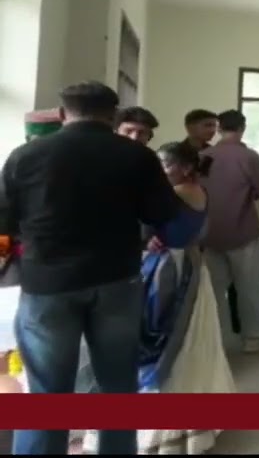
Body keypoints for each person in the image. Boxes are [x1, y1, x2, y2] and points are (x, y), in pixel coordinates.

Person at [1, 81, 180, 455]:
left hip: (47, 284)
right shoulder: (136, 156)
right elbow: (163, 213)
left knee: (47, 392)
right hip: (117, 280)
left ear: (62, 113)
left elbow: (5, 220)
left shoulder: (26, 155)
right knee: (117, 385)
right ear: (113, 116)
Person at [83, 142, 236, 455]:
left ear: (185, 167)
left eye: (165, 165)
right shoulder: (190, 190)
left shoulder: (178, 192)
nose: (160, 171)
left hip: (173, 271)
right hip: (182, 264)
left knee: (169, 342)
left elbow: (142, 218)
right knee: (186, 344)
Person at [201, 110, 259, 354]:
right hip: (243, 230)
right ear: (243, 128)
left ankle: (220, 338)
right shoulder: (248, 156)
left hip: (210, 232)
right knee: (248, 288)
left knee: (215, 290)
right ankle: (254, 336)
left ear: (219, 128)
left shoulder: (204, 156)